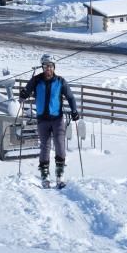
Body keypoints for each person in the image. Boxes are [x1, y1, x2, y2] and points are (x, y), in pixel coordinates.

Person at [19, 54, 79, 185]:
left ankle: (60, 173)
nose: (48, 69)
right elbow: (26, 92)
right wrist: (23, 94)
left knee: (59, 144)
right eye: (46, 66)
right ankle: (45, 174)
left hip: (57, 119)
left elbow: (70, 97)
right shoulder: (36, 80)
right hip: (42, 120)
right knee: (45, 146)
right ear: (42, 67)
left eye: (50, 66)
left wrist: (74, 111)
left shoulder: (60, 81)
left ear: (54, 67)